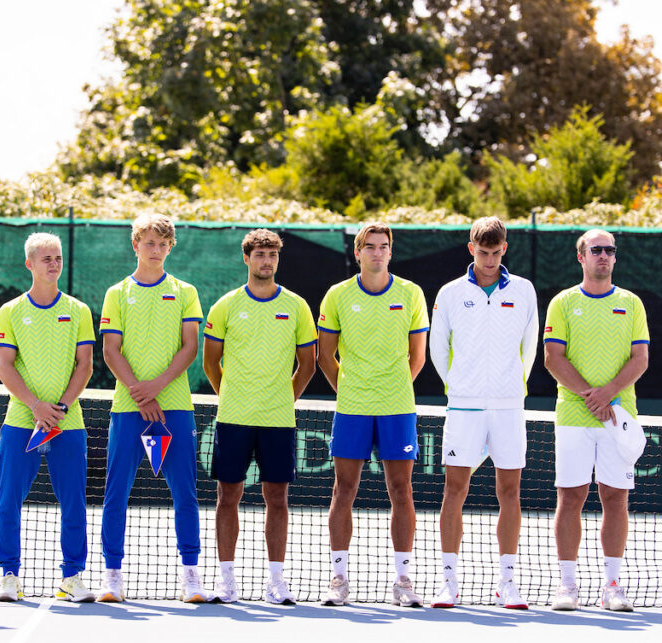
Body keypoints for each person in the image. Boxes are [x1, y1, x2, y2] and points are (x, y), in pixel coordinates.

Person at [316, 223, 429, 607]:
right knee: (343, 490)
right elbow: (324, 356)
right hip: (353, 410)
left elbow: (418, 357)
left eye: (384, 247)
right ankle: (339, 578)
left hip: (398, 408)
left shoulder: (411, 293)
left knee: (402, 491)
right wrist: (349, 390)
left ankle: (403, 580)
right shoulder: (338, 296)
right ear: (358, 252)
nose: (377, 253)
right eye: (370, 247)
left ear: (390, 252)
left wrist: (393, 388)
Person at [428, 217, 539, 609]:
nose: (489, 260)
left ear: (504, 249)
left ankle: (507, 582)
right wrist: (460, 386)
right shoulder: (451, 293)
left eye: (496, 252)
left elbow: (530, 347)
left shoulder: (524, 290)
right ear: (470, 247)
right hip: (463, 407)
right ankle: (449, 583)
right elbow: (438, 349)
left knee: (510, 492)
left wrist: (512, 389)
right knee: (454, 491)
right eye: (483, 251)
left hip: (509, 408)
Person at [97, 213, 208, 603]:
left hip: (174, 407)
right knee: (116, 493)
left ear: (170, 247)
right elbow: (110, 350)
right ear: (135, 245)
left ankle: (191, 577)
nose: (156, 250)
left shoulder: (185, 291)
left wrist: (157, 388)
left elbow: (191, 346)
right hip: (128, 409)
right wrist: (139, 393)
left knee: (185, 493)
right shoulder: (117, 293)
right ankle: (112, 576)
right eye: (149, 242)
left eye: (163, 244)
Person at [202, 229, 316, 604]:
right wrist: (232, 397)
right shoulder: (226, 306)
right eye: (260, 254)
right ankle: (226, 580)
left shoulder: (297, 306)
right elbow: (210, 361)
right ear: (247, 259)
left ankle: (276, 581)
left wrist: (284, 399)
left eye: (272, 255)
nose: (267, 261)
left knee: (278, 499)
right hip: (233, 417)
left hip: (278, 420)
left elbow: (308, 364)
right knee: (227, 497)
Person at [544, 229, 649, 612]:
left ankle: (612, 587)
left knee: (615, 498)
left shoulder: (632, 304)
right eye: (596, 250)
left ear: (614, 258)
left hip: (618, 419)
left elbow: (640, 360)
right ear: (581, 257)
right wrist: (593, 395)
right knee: (570, 497)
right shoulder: (563, 303)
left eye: (609, 250)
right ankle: (568, 587)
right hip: (574, 417)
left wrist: (608, 395)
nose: (603, 255)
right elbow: (553, 358)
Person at [0, 233, 95, 603]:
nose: (54, 264)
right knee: (8, 502)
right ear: (30, 264)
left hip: (69, 424)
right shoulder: (10, 311)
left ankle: (72, 578)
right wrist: (36, 406)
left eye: (58, 258)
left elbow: (85, 367)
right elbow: (4, 367)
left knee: (73, 502)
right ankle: (9, 576)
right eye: (46, 258)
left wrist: (61, 408)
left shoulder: (79, 311)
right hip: (21, 422)